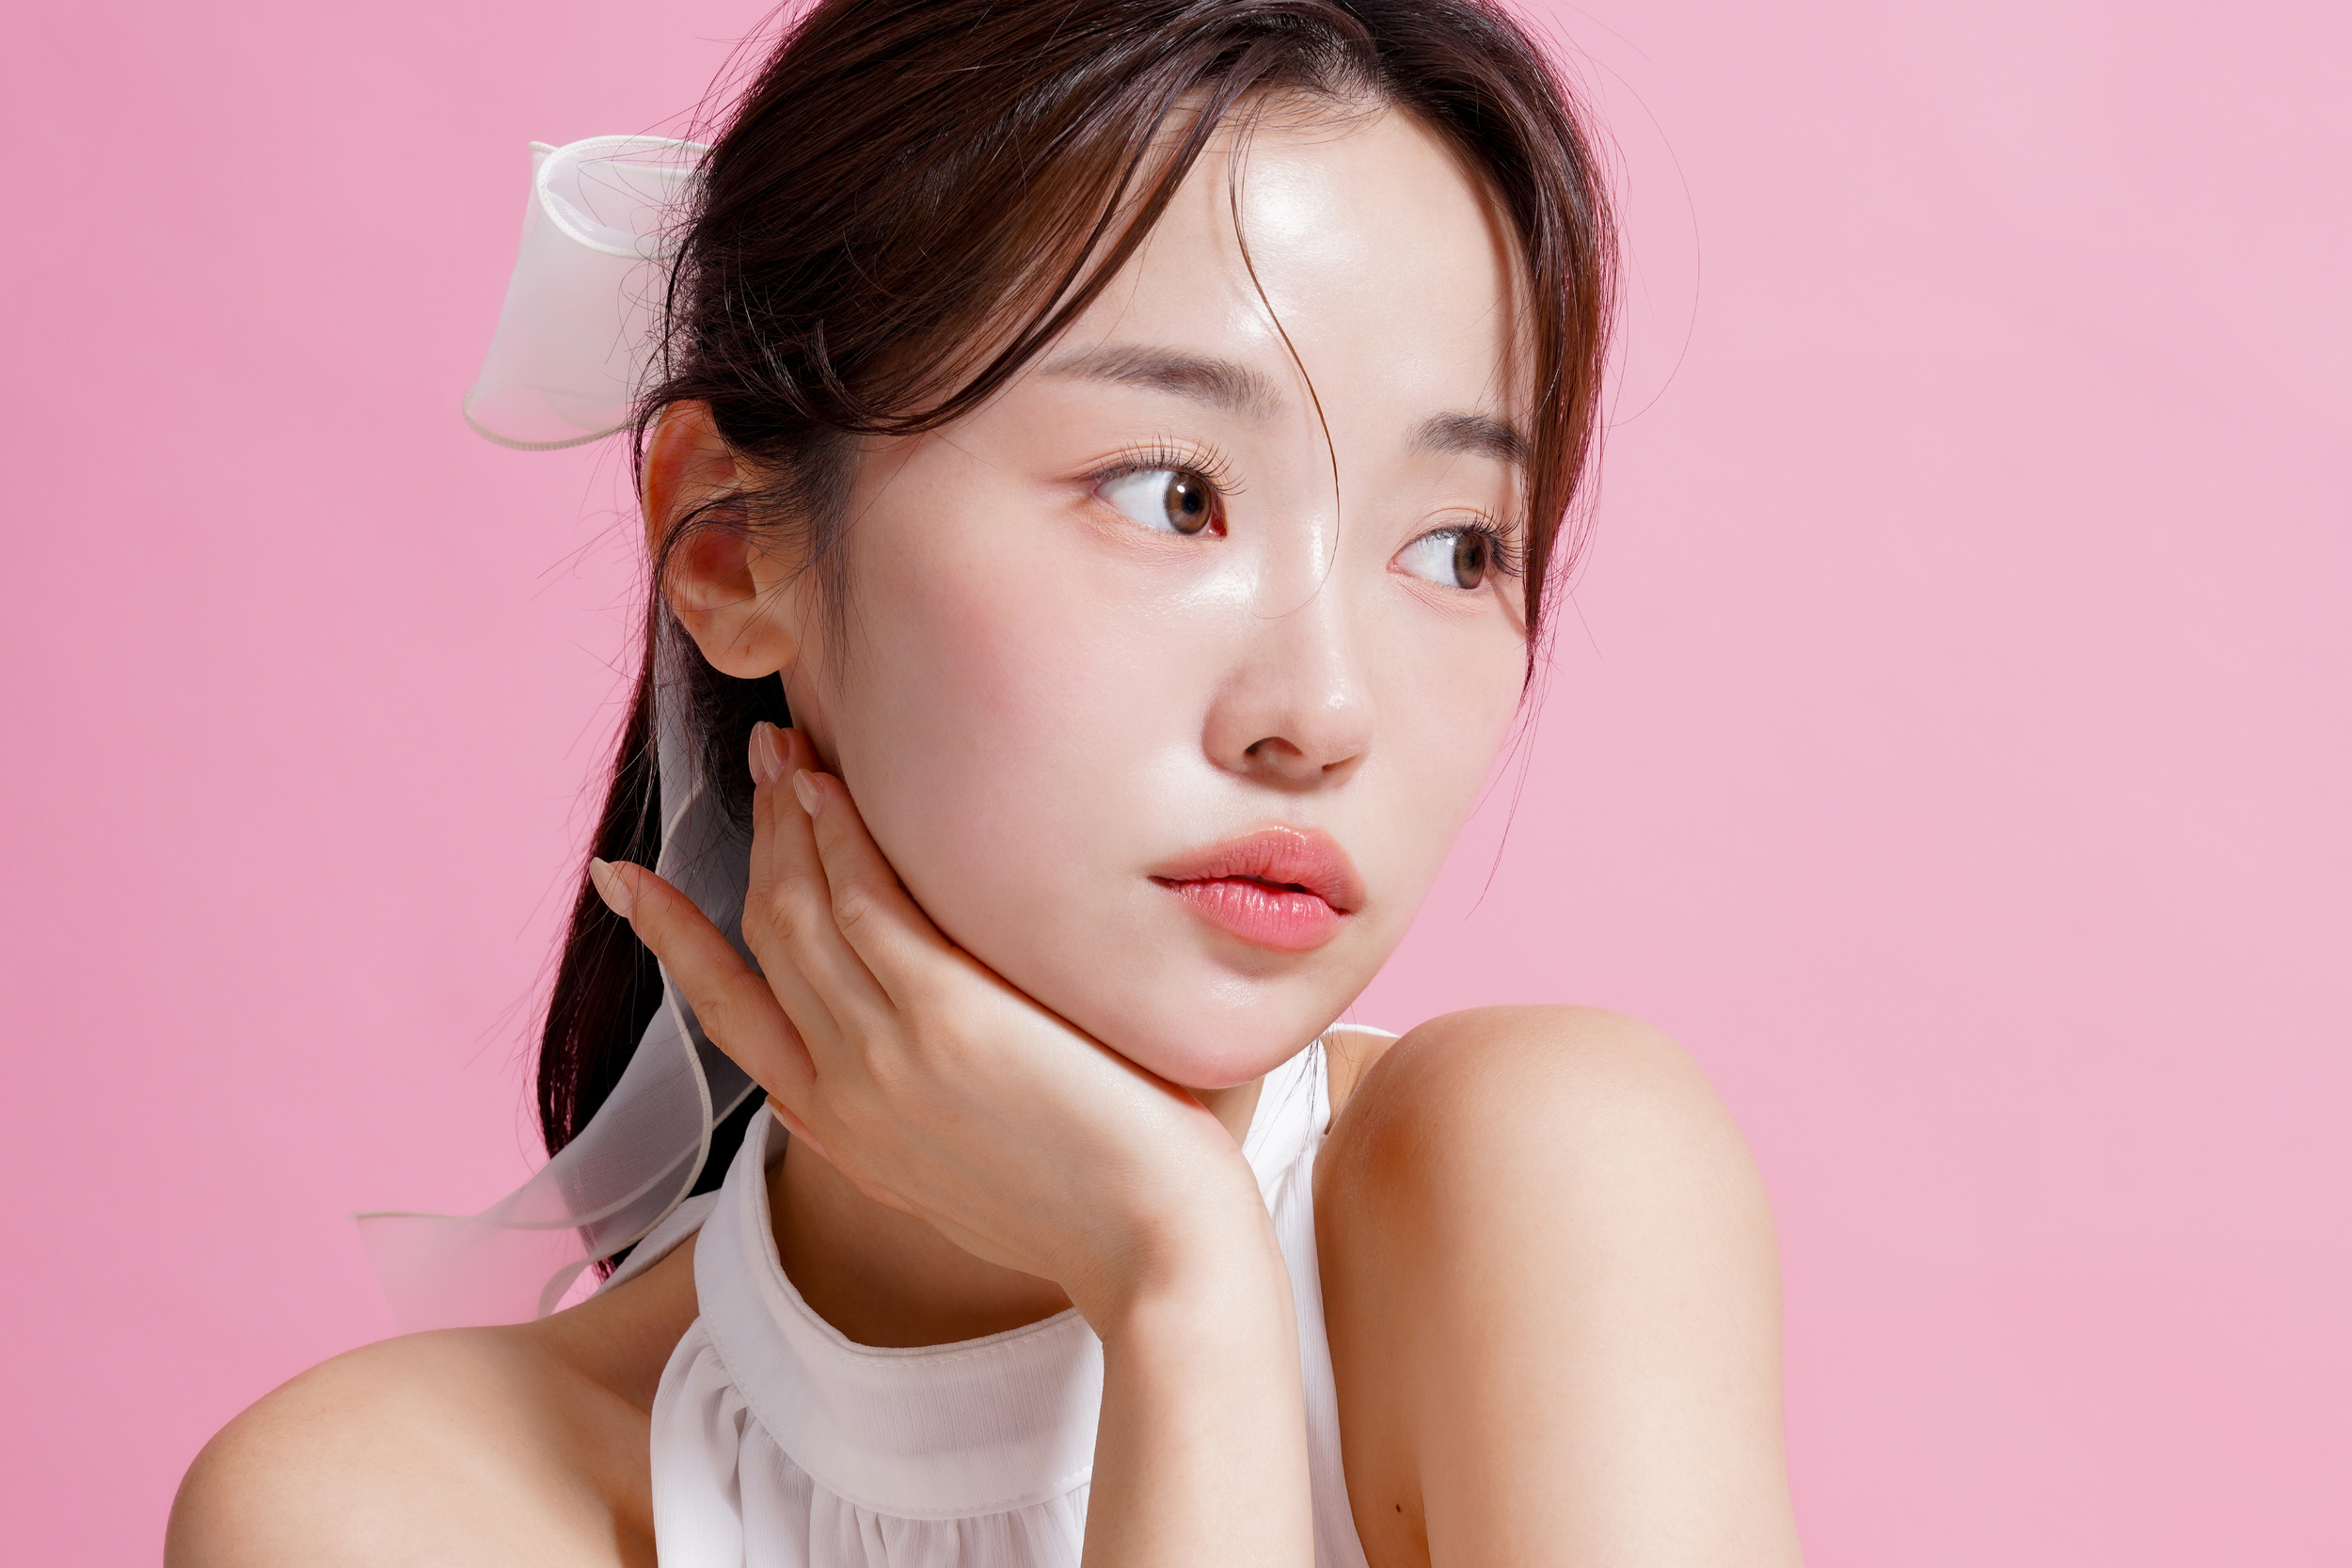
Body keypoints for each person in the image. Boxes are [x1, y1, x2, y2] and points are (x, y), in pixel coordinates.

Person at [167, 1, 1802, 1563]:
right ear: (733, 541)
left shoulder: (1550, 1196)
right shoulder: (390, 1507)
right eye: (1173, 496)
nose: (1323, 709)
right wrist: (1172, 1285)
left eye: (1456, 545)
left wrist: (1183, 1281)